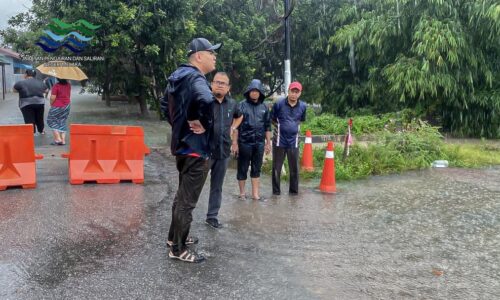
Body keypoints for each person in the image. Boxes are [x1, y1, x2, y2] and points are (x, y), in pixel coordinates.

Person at [161, 37, 221, 263]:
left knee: (181, 197)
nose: (214, 56)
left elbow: (164, 104)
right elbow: (207, 100)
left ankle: (172, 238)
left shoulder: (177, 77)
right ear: (198, 56)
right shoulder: (196, 77)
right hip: (196, 150)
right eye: (211, 52)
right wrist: (203, 124)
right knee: (187, 201)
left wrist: (179, 127)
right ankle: (178, 250)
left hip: (182, 147)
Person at [205, 72, 243, 229]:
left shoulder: (233, 104)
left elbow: (239, 116)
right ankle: (186, 217)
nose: (220, 85)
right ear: (211, 84)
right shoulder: (205, 100)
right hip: (205, 151)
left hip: (223, 151)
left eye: (224, 83)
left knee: (217, 186)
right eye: (217, 82)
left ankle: (212, 216)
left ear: (228, 88)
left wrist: (233, 127)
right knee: (195, 186)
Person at [234, 79, 272, 201]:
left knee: (257, 168)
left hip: (259, 143)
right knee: (242, 167)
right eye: (252, 91)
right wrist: (234, 143)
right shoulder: (241, 105)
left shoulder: (264, 107)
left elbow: (267, 126)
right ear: (248, 92)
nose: (254, 93)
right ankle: (242, 193)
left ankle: (255, 194)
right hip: (244, 142)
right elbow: (236, 126)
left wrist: (268, 143)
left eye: (257, 91)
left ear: (260, 92)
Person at [271, 81, 307, 195]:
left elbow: (301, 120)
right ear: (288, 91)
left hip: (294, 142)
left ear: (300, 93)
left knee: (294, 169)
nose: (294, 94)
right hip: (279, 141)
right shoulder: (279, 104)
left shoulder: (303, 106)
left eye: (297, 92)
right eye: (292, 91)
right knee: (277, 168)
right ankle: (276, 193)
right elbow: (272, 119)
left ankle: (293, 193)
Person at [13, 69, 47, 135]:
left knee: (29, 118)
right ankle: (41, 131)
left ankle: (31, 132)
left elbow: (14, 90)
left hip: (26, 103)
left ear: (26, 74)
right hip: (40, 103)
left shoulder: (20, 83)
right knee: (39, 117)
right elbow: (46, 90)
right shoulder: (40, 82)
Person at [47, 78, 72, 145]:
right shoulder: (68, 85)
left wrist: (51, 104)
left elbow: (52, 97)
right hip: (67, 105)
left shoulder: (56, 86)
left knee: (51, 120)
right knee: (62, 121)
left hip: (57, 105)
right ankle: (63, 141)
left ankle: (58, 139)